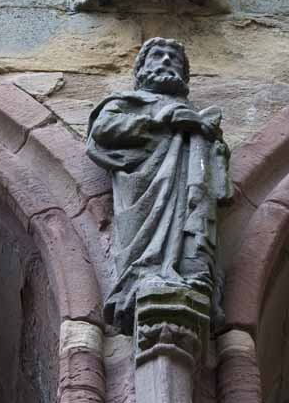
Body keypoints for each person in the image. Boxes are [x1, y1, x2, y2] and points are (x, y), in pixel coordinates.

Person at [87, 37, 232, 334]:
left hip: (190, 188)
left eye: (173, 58)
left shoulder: (195, 113)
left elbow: (215, 176)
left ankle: (193, 274)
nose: (166, 61)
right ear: (142, 67)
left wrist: (212, 144)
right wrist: (161, 117)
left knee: (196, 227)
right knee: (144, 243)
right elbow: (102, 131)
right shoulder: (126, 103)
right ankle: (143, 277)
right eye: (157, 55)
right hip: (146, 189)